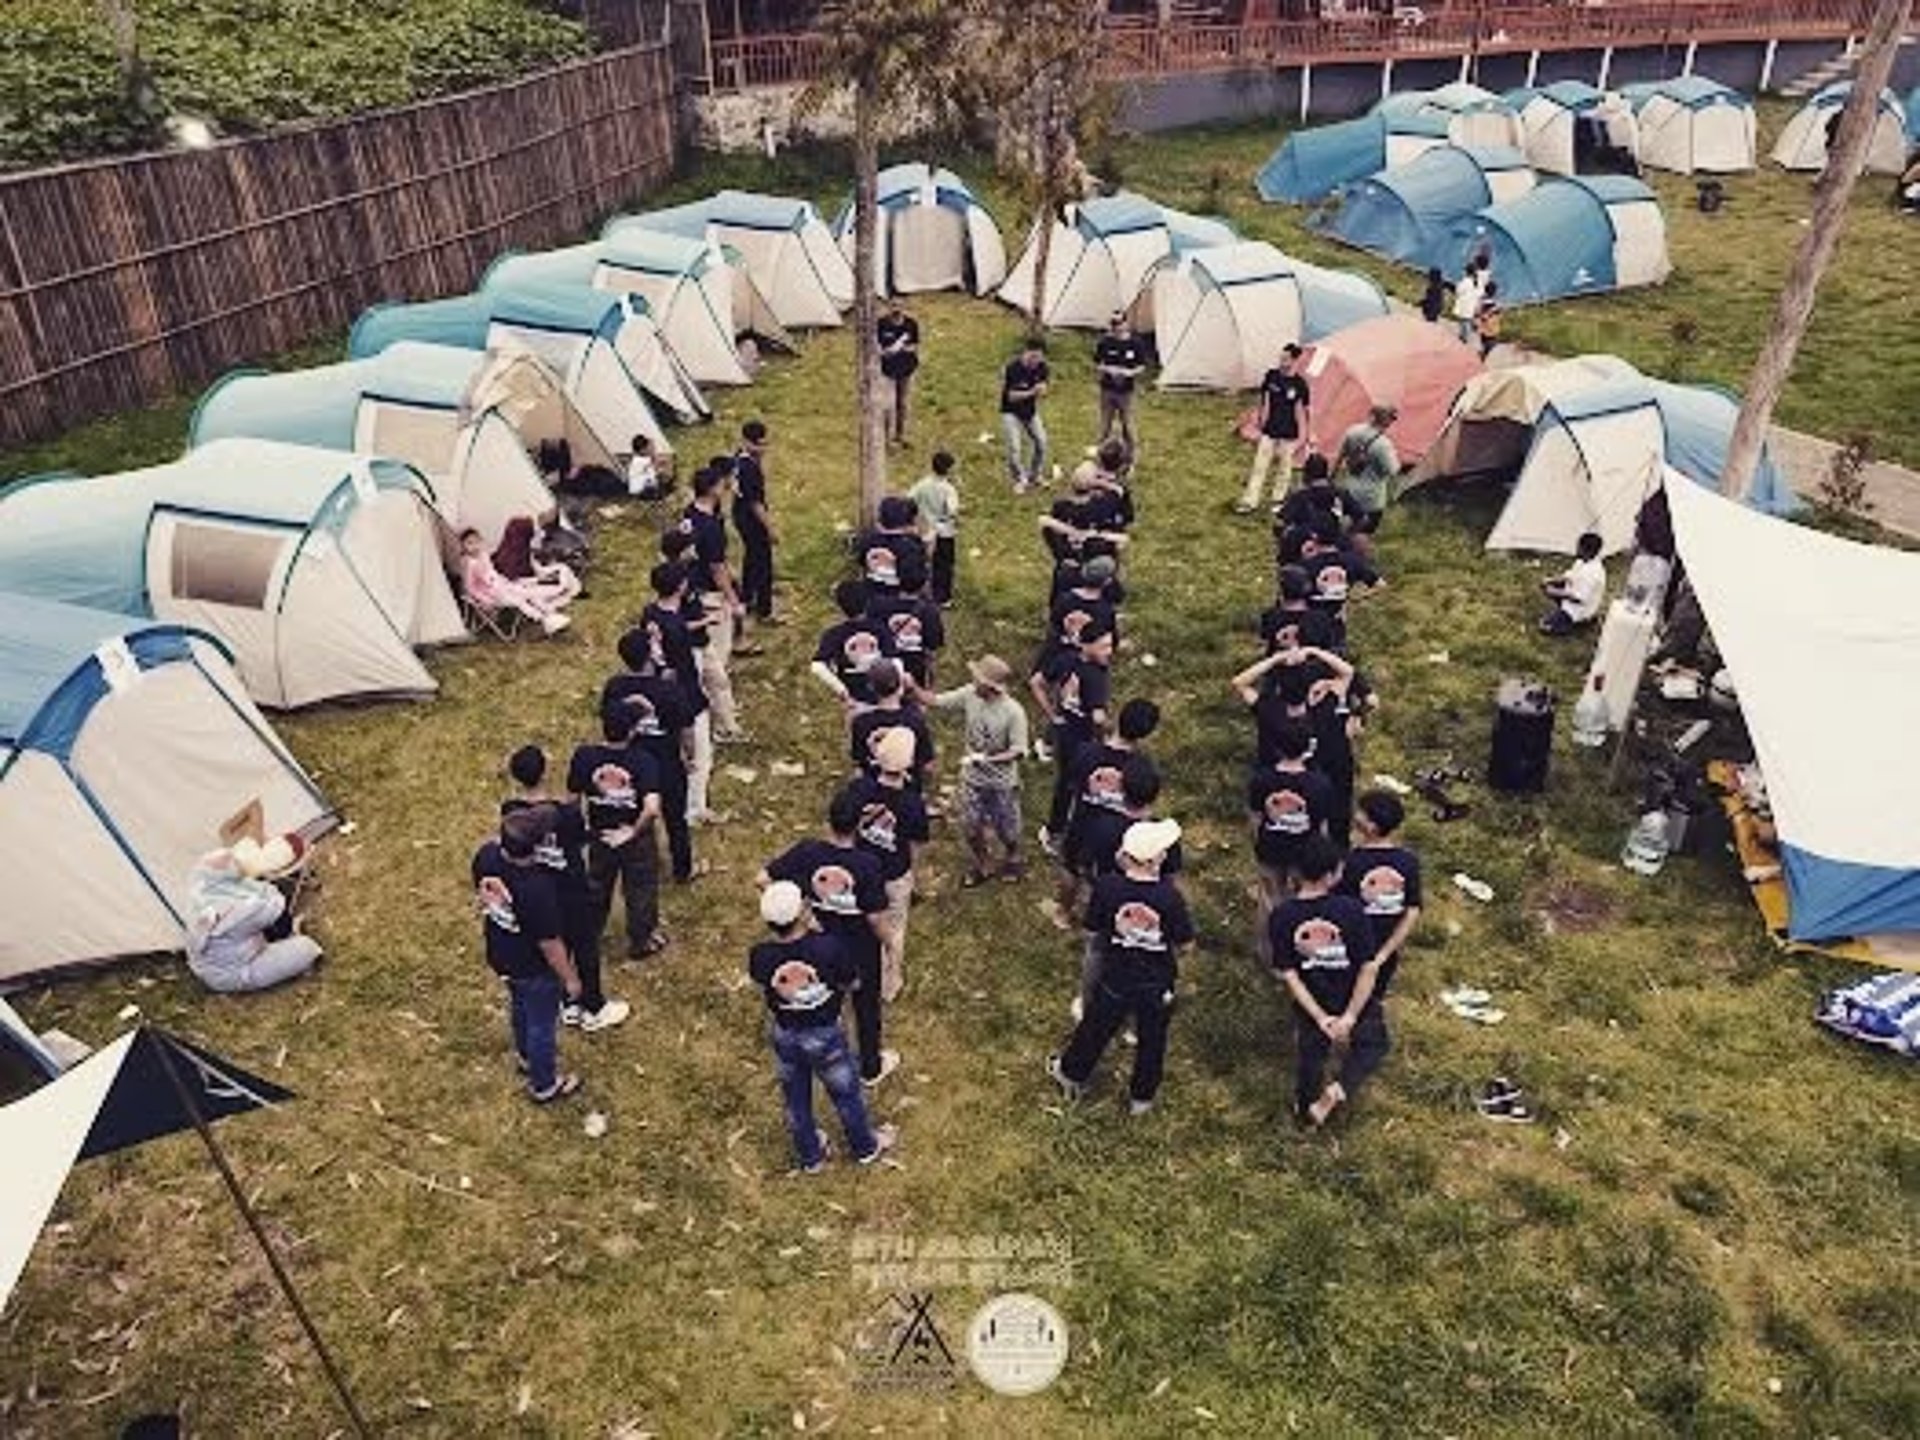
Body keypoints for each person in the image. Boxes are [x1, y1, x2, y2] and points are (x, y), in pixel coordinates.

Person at [748, 881, 898, 1172]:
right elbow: (851, 981)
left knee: (795, 1100)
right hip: (825, 1034)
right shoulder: (828, 947)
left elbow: (760, 979)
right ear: (802, 912)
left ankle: (811, 1156)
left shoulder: (761, 955)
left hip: (785, 1034)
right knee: (846, 1094)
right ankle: (865, 1147)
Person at [1049, 818, 1193, 1116]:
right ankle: (1142, 1097)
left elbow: (1093, 928)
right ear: (1155, 860)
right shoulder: (1170, 898)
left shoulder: (1107, 887)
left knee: (1096, 1027)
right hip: (1156, 981)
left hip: (1115, 975)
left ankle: (1071, 1074)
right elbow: (1185, 943)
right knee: (1152, 1040)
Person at [761, 787, 898, 1087]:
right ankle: (871, 1067)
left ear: (829, 820)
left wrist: (800, 911)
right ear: (859, 824)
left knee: (827, 994)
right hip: (860, 947)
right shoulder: (867, 864)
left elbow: (764, 879)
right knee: (866, 1006)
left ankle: (824, 1052)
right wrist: (891, 944)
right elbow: (875, 918)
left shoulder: (808, 851)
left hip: (820, 941)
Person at [503, 746, 631, 1030]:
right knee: (585, 946)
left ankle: (568, 1001)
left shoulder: (511, 812)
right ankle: (594, 1007)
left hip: (541, 890)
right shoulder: (565, 814)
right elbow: (580, 840)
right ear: (545, 773)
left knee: (560, 944)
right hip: (571, 889)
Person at [1269, 837, 1387, 1130]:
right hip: (1351, 993)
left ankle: (1305, 1111)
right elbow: (1368, 967)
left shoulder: (1282, 916)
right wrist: (1350, 1016)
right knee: (1374, 1044)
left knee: (1311, 1055)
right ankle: (1339, 1088)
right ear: (1331, 875)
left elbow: (1289, 973)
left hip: (1313, 997)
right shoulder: (1352, 910)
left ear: (1296, 872)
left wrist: (1320, 1017)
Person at [473, 807, 583, 1103]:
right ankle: (544, 1084)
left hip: (500, 951)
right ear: (536, 848)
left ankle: (525, 1056)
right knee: (541, 1024)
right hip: (532, 966)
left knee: (520, 1005)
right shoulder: (537, 889)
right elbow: (550, 944)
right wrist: (570, 979)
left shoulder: (486, 857)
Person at [568, 710, 666, 963]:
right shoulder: (643, 760)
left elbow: (572, 799)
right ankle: (641, 941)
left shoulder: (585, 756)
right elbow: (652, 809)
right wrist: (633, 831)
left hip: (600, 833)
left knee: (596, 888)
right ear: (632, 731)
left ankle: (588, 937)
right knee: (640, 890)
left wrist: (581, 831)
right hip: (634, 838)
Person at [603, 630, 700, 883]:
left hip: (629, 762)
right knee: (675, 819)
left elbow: (608, 720)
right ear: (649, 656)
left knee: (634, 813)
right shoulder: (669, 690)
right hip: (666, 762)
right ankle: (683, 869)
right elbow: (687, 729)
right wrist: (690, 756)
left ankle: (642, 863)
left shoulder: (615, 687)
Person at [639, 559, 727, 829]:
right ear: (681, 586)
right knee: (700, 755)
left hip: (656, 692)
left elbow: (676, 626)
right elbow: (680, 657)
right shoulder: (676, 628)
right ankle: (695, 808)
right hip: (684, 695)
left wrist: (703, 620)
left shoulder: (651, 613)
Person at [846, 727, 931, 1003]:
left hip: (862, 869)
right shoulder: (912, 803)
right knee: (894, 928)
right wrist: (914, 875)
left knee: (860, 922)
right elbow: (916, 844)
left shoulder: (860, 789)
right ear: (909, 763)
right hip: (894, 873)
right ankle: (889, 981)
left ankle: (855, 970)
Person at [932, 654, 1030, 887]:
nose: (973, 682)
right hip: (972, 780)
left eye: (978, 679)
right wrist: (911, 687)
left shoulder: (1013, 712)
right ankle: (984, 864)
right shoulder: (969, 694)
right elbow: (936, 701)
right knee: (970, 826)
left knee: (1008, 830)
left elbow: (1018, 751)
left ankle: (1013, 858)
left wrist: (987, 759)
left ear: (991, 687)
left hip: (1002, 784)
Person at [1246, 719, 1337, 962]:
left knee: (1269, 898)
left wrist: (1258, 840)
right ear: (1308, 747)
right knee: (1302, 901)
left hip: (1270, 848)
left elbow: (1255, 817)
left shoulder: (1262, 779)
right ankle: (1298, 950)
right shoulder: (1320, 783)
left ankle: (1267, 952)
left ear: (1277, 746)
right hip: (1306, 853)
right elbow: (1322, 824)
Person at [183, 839, 322, 994]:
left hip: (213, 958)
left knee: (259, 925)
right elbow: (276, 907)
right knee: (306, 948)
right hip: (233, 972)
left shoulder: (201, 882)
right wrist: (262, 871)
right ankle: (286, 950)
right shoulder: (237, 911)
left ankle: (271, 945)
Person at [1030, 617, 1115, 855]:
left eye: (1110, 645)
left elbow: (1036, 682)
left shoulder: (1066, 659)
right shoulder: (1096, 676)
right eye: (1104, 646)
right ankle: (1062, 833)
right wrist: (1106, 739)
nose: (1109, 651)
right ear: (1086, 645)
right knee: (1081, 788)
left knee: (1064, 784)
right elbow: (1098, 718)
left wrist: (1053, 715)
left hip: (1064, 733)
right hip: (1084, 740)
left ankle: (1055, 830)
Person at [676, 467, 749, 739]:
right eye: (721, 483)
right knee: (717, 657)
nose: (725, 486)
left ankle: (722, 709)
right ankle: (720, 720)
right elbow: (717, 568)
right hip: (710, 596)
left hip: (692, 588)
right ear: (712, 489)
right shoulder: (711, 527)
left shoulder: (689, 515)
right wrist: (734, 600)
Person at [1338, 789, 1423, 999]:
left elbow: (1342, 906)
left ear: (1371, 827)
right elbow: (1412, 909)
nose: (1356, 814)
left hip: (1353, 945)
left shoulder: (1353, 862)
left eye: (1361, 812)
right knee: (1374, 995)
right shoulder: (1408, 862)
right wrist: (1385, 952)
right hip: (1386, 947)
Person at [1239, 344, 1311, 515]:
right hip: (1269, 431)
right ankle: (1250, 501)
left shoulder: (1300, 385)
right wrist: (1260, 419)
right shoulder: (1271, 376)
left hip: (1289, 434)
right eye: (1281, 358)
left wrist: (1304, 436)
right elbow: (1264, 399)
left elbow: (1303, 412)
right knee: (1259, 466)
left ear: (1294, 360)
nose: (1282, 362)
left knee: (1284, 469)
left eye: (1286, 359)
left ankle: (1277, 501)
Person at [458, 528, 573, 635]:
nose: (474, 546)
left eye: (476, 542)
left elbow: (492, 574)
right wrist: (485, 600)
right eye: (469, 543)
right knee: (520, 600)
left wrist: (504, 581)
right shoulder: (470, 564)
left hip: (502, 586)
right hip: (493, 595)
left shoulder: (483, 556)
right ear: (463, 546)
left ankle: (550, 615)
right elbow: (470, 587)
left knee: (527, 592)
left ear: (481, 542)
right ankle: (544, 619)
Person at [812, 578, 900, 708]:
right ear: (867, 602)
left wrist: (841, 690)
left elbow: (817, 666)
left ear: (839, 606)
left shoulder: (834, 634)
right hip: (884, 696)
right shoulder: (880, 628)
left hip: (853, 700)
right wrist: (897, 690)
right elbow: (895, 661)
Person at [849, 659, 935, 788]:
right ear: (901, 686)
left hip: (872, 789)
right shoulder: (915, 720)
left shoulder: (861, 722)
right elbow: (928, 765)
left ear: (871, 687)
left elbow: (859, 764)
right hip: (907, 789)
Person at [733, 420, 777, 627]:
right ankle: (764, 610)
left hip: (739, 514)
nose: (764, 448)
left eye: (765, 443)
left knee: (751, 557)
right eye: (760, 444)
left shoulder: (739, 458)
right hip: (751, 519)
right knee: (763, 564)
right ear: (747, 442)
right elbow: (756, 503)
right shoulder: (749, 468)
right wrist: (770, 528)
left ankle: (747, 596)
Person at [1334, 404, 1400, 533]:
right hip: (1372, 499)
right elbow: (1393, 470)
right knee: (1363, 533)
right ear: (1387, 421)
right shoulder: (1384, 445)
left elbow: (1340, 457)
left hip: (1350, 491)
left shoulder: (1352, 431)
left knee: (1346, 530)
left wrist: (1331, 479)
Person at [908, 451, 961, 606]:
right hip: (944, 532)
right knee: (944, 565)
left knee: (923, 562)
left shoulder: (923, 484)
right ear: (949, 469)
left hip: (925, 530)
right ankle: (942, 597)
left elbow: (909, 498)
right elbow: (951, 511)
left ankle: (920, 591)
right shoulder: (948, 489)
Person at [1093, 310, 1146, 458]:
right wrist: (1108, 369)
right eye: (1113, 323)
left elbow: (1142, 366)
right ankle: (1101, 455)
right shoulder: (1105, 342)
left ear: (1125, 323)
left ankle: (1131, 456)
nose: (1115, 327)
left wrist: (1129, 373)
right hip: (1107, 389)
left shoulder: (1135, 343)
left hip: (1126, 391)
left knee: (1127, 424)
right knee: (1104, 424)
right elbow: (1097, 363)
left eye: (1118, 323)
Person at [859, 495, 932, 601]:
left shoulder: (869, 540)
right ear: (909, 523)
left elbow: (861, 560)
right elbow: (913, 581)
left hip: (872, 596)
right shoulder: (910, 547)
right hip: (899, 599)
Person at [1000, 340, 1051, 492]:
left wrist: (1043, 390)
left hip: (1030, 411)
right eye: (1033, 357)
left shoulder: (1043, 367)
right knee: (1014, 448)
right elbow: (1011, 396)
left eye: (1039, 358)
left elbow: (1044, 386)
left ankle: (1034, 475)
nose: (1035, 361)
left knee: (1042, 443)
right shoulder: (1013, 368)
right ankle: (1019, 479)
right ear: (1025, 353)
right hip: (1011, 412)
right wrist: (1032, 392)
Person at [1541, 530, 1607, 635]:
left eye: (1579, 547)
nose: (1577, 549)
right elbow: (1569, 575)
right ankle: (1561, 612)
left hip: (1579, 609)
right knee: (1548, 586)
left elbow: (1579, 598)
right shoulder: (1582, 561)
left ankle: (1578, 622)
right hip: (1571, 593)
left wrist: (1555, 592)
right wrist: (1550, 580)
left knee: (1545, 627)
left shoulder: (1592, 573)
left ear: (1587, 551)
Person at [877, 302, 920, 446]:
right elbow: (877, 345)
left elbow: (914, 345)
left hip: (907, 370)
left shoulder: (911, 324)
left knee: (903, 403)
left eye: (899, 306)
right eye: (893, 305)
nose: (896, 309)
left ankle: (900, 436)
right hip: (887, 371)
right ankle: (886, 439)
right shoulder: (881, 324)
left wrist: (902, 348)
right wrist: (884, 352)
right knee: (888, 405)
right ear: (889, 307)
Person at [1452, 255, 1487, 346]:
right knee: (1468, 320)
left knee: (1463, 322)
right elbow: (1481, 293)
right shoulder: (1477, 282)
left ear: (1466, 272)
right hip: (1472, 305)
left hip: (1464, 305)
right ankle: (1466, 334)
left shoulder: (1465, 282)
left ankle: (1464, 336)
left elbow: (1458, 291)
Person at [626, 435, 671, 500]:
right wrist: (653, 451)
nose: (649, 449)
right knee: (661, 475)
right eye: (648, 447)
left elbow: (659, 462)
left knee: (659, 474)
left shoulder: (639, 459)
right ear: (642, 450)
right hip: (641, 491)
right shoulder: (640, 461)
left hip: (639, 489)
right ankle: (661, 494)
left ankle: (661, 492)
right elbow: (657, 464)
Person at [1474, 279, 1503, 360]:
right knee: (1491, 343)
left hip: (1484, 327)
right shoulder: (1494, 302)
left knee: (1485, 342)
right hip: (1491, 327)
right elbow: (1497, 313)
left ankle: (1483, 355)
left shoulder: (1481, 300)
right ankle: (1483, 355)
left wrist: (1477, 322)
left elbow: (1477, 312)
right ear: (1494, 291)